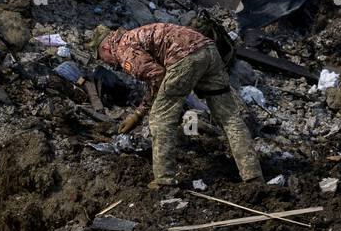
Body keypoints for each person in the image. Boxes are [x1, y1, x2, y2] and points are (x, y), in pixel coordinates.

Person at [91, 22, 263, 188]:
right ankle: (253, 174)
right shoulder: (134, 36)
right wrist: (137, 114)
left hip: (185, 58)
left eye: (101, 57)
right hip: (209, 51)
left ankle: (164, 178)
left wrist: (139, 114)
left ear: (105, 47)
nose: (106, 62)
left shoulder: (124, 50)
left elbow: (157, 77)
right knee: (229, 116)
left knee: (160, 118)